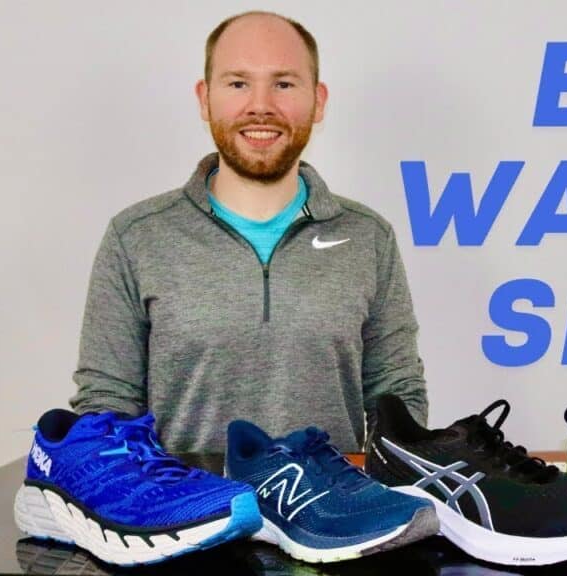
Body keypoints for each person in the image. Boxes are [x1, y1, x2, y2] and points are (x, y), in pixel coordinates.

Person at [69, 10, 428, 454]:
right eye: (238, 83)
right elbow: (107, 407)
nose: (261, 105)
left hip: (331, 517)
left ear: (318, 101)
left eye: (284, 83)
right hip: (187, 516)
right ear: (205, 99)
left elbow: (397, 396)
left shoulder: (369, 237)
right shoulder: (135, 237)